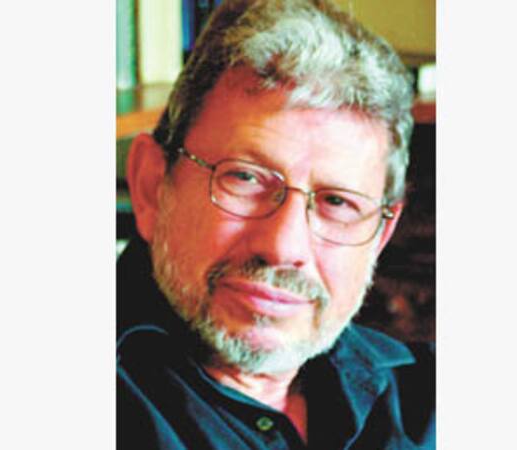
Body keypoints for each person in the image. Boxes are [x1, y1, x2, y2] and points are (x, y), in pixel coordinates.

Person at [116, 0, 434, 448]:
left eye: (337, 202)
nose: (284, 247)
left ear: (380, 235)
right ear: (151, 186)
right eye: (245, 179)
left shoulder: (426, 399)